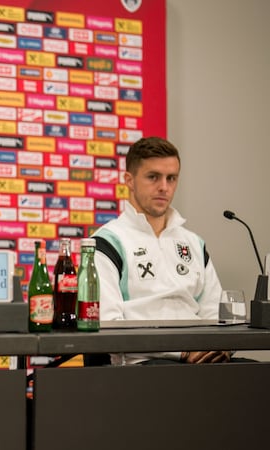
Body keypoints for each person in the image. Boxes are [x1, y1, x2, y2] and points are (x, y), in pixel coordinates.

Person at [93, 136, 232, 365]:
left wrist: (220, 349)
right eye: (153, 177)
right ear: (129, 180)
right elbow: (108, 325)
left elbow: (214, 315)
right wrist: (183, 353)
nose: (164, 187)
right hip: (143, 365)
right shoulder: (107, 243)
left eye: (172, 178)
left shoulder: (194, 243)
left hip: (200, 360)